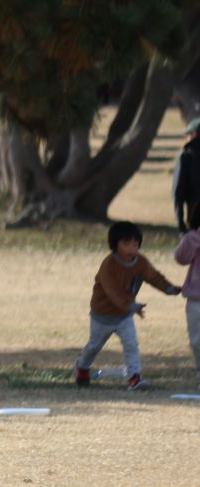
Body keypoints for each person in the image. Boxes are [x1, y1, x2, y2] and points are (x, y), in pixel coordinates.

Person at [74, 221, 181, 390]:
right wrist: (130, 305)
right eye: (126, 243)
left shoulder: (140, 262)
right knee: (94, 347)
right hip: (102, 315)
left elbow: (154, 277)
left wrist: (169, 288)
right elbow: (113, 291)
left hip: (124, 316)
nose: (131, 249)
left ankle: (134, 378)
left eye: (135, 244)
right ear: (114, 244)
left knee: (131, 345)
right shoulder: (109, 265)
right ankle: (82, 367)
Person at [174, 202, 200, 390]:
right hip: (196, 300)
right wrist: (195, 239)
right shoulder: (192, 237)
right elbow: (181, 258)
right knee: (197, 341)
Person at [173, 118, 200, 234]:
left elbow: (178, 193)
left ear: (194, 134)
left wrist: (181, 224)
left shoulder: (186, 157)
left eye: (188, 134)